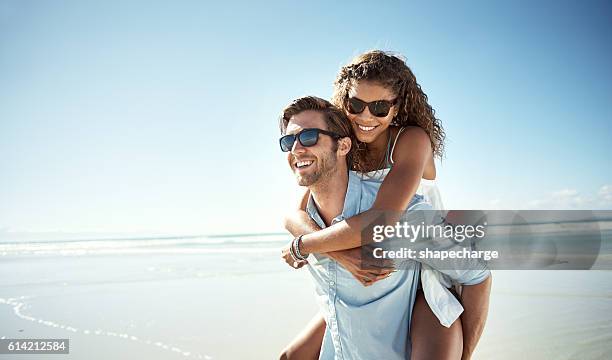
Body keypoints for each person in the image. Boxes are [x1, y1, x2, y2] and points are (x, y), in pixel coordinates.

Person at [277, 95, 491, 360]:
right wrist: (335, 252)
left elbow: (476, 275)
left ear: (343, 146)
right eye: (288, 141)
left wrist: (465, 355)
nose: (296, 149)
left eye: (309, 137)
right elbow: (292, 218)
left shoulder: (401, 216)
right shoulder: (306, 219)